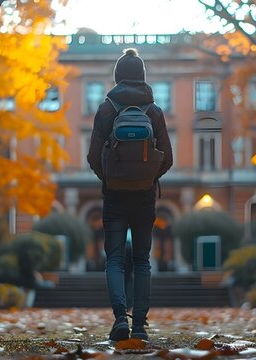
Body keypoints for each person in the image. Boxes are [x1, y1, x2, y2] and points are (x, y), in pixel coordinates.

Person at [87, 48, 173, 341]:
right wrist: (147, 177)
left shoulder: (106, 109)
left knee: (113, 259)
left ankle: (120, 320)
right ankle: (140, 327)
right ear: (143, 77)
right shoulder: (154, 112)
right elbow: (168, 158)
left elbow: (92, 156)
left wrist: (110, 177)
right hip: (145, 196)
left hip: (114, 195)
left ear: (117, 76)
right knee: (141, 260)